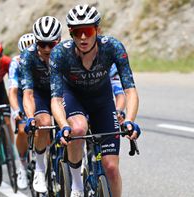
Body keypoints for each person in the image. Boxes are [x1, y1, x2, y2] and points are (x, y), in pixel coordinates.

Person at [50, 4, 141, 197]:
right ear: (71, 33)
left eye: (88, 31)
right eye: (77, 32)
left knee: (111, 168)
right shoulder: (60, 53)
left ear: (97, 30)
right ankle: (76, 186)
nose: (83, 37)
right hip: (73, 97)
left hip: (102, 100)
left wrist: (131, 120)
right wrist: (63, 125)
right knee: (78, 128)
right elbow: (56, 99)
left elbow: (130, 90)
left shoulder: (113, 47)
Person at [20, 16, 62, 193]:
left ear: (59, 41)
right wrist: (30, 118)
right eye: (41, 44)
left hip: (61, 92)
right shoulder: (28, 56)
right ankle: (39, 167)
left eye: (51, 44)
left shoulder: (67, 52)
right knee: (43, 123)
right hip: (40, 93)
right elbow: (28, 93)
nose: (46, 49)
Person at [8, 33, 36, 190]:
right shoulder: (16, 63)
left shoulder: (43, 59)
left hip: (36, 93)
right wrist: (15, 110)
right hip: (20, 94)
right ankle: (22, 166)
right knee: (21, 129)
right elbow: (12, 91)